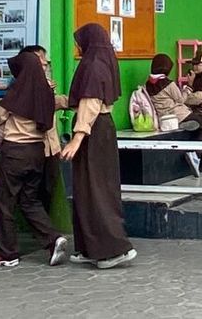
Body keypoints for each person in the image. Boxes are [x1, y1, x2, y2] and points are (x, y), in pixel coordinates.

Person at [59, 23, 136, 269]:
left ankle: (113, 249)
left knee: (95, 189)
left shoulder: (93, 65)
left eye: (79, 41)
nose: (77, 47)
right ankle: (90, 247)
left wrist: (77, 138)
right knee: (88, 188)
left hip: (93, 130)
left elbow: (90, 103)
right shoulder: (105, 60)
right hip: (102, 128)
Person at [0, 50, 69, 268]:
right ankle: (52, 239)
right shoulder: (45, 94)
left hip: (15, 153)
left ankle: (7, 253)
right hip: (37, 153)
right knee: (29, 200)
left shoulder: (16, 94)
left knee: (4, 202)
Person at [146, 53, 202, 177]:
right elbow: (181, 100)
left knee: (198, 122)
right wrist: (189, 85)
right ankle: (196, 154)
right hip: (178, 114)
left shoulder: (149, 83)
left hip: (164, 116)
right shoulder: (168, 84)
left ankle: (186, 129)